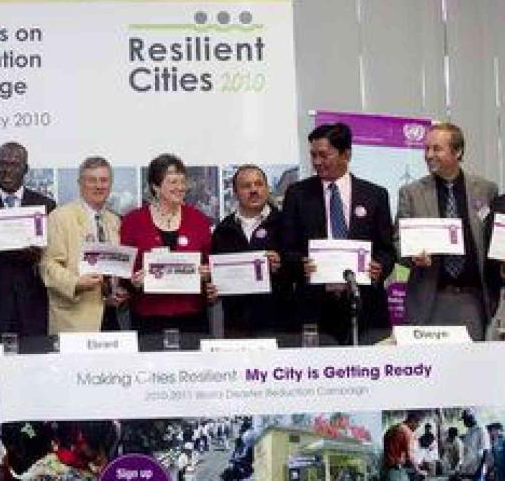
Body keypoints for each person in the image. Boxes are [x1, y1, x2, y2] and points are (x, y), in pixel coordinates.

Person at [282, 122, 396, 344]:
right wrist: (299, 265)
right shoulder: (297, 194)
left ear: (346, 154)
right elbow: (287, 249)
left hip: (365, 305)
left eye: (324, 155)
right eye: (313, 155)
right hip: (315, 307)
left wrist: (379, 266)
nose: (317, 162)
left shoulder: (375, 195)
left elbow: (387, 250)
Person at [396, 123, 498, 341]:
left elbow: (492, 241)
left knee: (470, 369)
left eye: (436, 149)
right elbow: (398, 240)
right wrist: (412, 256)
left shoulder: (486, 190)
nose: (429, 155)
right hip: (427, 299)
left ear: (458, 151)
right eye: (426, 149)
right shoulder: (411, 193)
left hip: (471, 300)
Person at [120, 153, 212, 334]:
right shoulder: (133, 221)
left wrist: (207, 274)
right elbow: (124, 271)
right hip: (148, 317)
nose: (180, 187)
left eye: (182, 182)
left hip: (192, 316)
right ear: (155, 186)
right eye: (172, 182)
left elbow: (211, 265)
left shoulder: (199, 220)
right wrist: (133, 281)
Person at [0, 142, 55, 339]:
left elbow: (56, 258)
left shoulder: (47, 206)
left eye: (14, 164)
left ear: (25, 169)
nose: (7, 170)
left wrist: (41, 255)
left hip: (34, 306)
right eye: (2, 164)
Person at [41, 156, 128, 334]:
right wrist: (76, 283)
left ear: (110, 184)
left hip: (111, 316)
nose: (98, 186)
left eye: (104, 180)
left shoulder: (115, 221)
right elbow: (47, 266)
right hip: (74, 319)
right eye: (92, 180)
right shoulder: (60, 217)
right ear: (80, 183)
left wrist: (116, 290)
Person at [211, 164, 290, 336]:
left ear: (267, 188)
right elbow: (215, 277)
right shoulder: (224, 230)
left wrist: (282, 264)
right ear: (235, 192)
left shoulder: (286, 223)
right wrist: (212, 289)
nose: (254, 190)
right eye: (246, 186)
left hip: (278, 324)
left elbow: (299, 267)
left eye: (259, 184)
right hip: (235, 326)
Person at [382, 411, 424, 481]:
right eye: (418, 424)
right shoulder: (406, 431)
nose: (417, 427)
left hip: (387, 471)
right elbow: (410, 455)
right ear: (412, 421)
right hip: (396, 471)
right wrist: (418, 470)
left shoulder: (392, 429)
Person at [459, 408, 490, 481]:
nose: (464, 422)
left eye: (465, 419)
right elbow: (467, 451)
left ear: (471, 417)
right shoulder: (468, 431)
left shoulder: (481, 430)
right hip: (468, 470)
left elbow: (486, 451)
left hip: (477, 471)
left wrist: (479, 471)